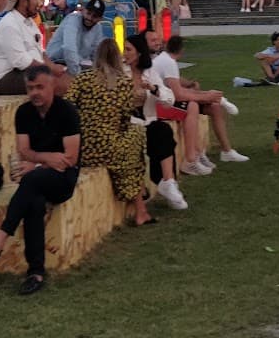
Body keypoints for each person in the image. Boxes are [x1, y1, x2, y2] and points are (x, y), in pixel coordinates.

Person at [0, 65, 81, 295]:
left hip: (63, 180)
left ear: (52, 86)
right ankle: (35, 273)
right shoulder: (24, 113)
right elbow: (23, 152)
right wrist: (47, 159)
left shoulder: (67, 111)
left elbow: (69, 158)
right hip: (36, 179)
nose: (35, 93)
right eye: (30, 88)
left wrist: (38, 163)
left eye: (40, 87)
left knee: (33, 179)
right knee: (34, 202)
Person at [69, 39, 152, 226]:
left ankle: (140, 208)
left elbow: (67, 106)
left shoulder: (82, 79)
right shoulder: (124, 83)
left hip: (84, 149)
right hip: (109, 149)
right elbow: (125, 118)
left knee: (132, 143)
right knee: (137, 136)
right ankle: (140, 205)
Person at [146, 30, 246, 173]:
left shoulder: (164, 59)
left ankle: (226, 151)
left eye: (157, 40)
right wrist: (205, 96)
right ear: (182, 51)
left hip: (165, 98)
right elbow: (178, 95)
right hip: (159, 103)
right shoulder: (167, 62)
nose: (156, 43)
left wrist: (193, 87)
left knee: (214, 108)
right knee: (192, 106)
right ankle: (192, 159)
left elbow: (173, 82)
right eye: (152, 40)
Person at [123, 35, 186, 210]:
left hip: (147, 122)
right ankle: (165, 183)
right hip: (127, 124)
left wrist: (154, 89)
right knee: (152, 134)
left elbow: (169, 100)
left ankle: (168, 181)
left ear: (139, 52)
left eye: (129, 49)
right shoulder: (120, 72)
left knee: (162, 130)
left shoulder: (150, 73)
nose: (125, 53)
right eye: (124, 49)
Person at [0, 0, 65, 95]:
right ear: (23, 1)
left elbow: (40, 51)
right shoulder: (9, 24)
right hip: (3, 77)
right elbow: (21, 61)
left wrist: (52, 66)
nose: (37, 2)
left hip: (22, 72)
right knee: (53, 82)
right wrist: (49, 69)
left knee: (65, 77)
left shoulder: (29, 22)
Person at [49, 0, 106, 77]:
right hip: (57, 62)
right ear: (83, 10)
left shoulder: (98, 28)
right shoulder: (73, 20)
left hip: (78, 65)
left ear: (100, 19)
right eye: (88, 13)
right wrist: (78, 76)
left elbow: (96, 54)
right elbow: (69, 48)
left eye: (94, 16)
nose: (89, 18)